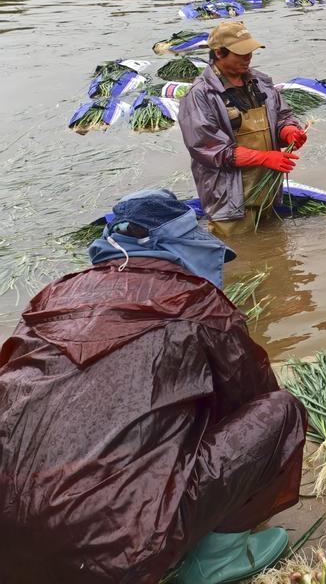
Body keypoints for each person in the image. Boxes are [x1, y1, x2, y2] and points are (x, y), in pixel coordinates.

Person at [0, 188, 305, 584]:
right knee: (278, 410)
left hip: (9, 545)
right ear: (181, 246)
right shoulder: (197, 304)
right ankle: (216, 559)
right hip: (118, 554)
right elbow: (252, 395)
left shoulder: (53, 296)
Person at [177, 21, 306, 234]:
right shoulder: (199, 95)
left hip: (268, 191)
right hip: (228, 200)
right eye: (241, 53)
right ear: (219, 53)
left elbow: (283, 116)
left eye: (250, 52)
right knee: (238, 260)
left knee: (273, 253)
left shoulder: (261, 83)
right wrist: (265, 158)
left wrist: (289, 132)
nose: (248, 58)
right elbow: (210, 149)